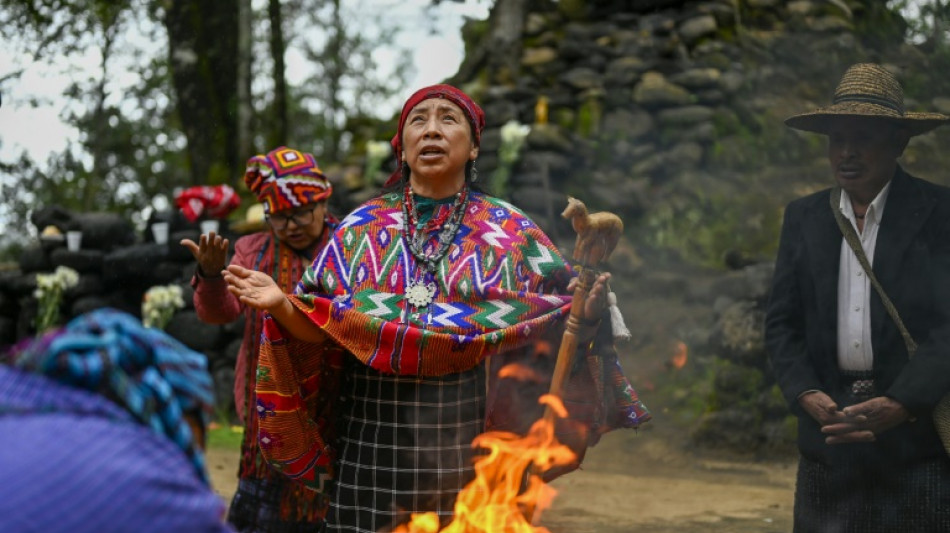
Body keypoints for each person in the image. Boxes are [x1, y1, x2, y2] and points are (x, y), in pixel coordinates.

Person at [222, 84, 650, 532]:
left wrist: (590, 314)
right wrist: (282, 306)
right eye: (418, 121)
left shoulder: (512, 232)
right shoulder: (357, 231)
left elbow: (564, 318)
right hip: (367, 438)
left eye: (448, 119)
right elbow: (321, 327)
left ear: (474, 146)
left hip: (469, 439)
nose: (432, 130)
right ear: (402, 151)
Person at [765, 63, 950, 532]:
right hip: (829, 439)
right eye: (837, 139)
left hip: (915, 438)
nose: (847, 152)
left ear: (899, 142)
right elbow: (782, 323)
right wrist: (805, 392)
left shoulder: (940, 213)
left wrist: (903, 402)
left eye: (863, 138)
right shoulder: (804, 217)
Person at [182, 146, 338, 532]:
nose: (291, 225)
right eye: (279, 217)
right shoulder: (252, 251)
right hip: (267, 415)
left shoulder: (350, 245)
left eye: (301, 212)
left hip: (337, 411)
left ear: (323, 199)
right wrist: (212, 276)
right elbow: (218, 313)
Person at [0, 309, 233, 533]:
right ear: (169, 404)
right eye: (199, 437)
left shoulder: (16, 401)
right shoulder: (150, 485)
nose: (197, 455)